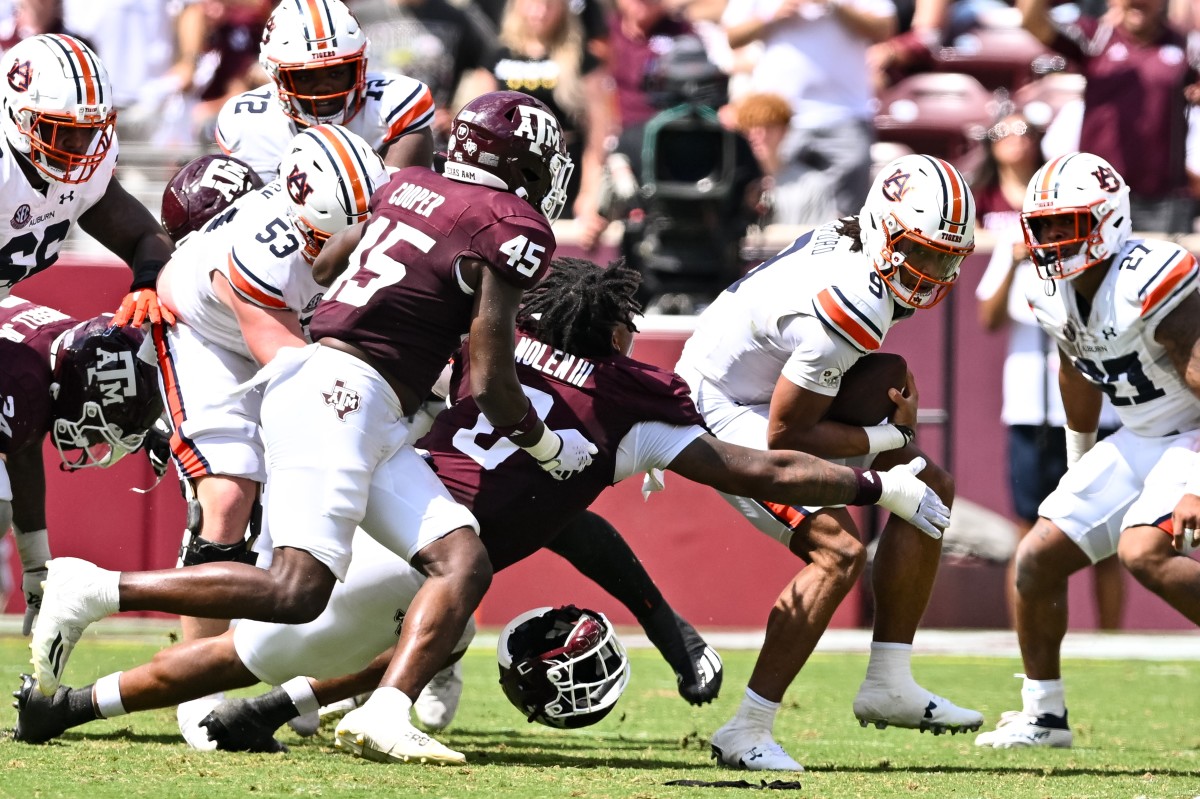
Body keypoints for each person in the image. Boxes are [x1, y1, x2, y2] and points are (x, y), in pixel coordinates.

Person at [13, 257, 950, 759]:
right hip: (421, 535)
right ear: (618, 328)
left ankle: (72, 707)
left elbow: (566, 512)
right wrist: (874, 474)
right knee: (299, 622)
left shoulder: (509, 352)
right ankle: (130, 608)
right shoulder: (631, 399)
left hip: (392, 479)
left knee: (331, 626)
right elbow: (761, 472)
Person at [29, 90, 595, 765]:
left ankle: (387, 711)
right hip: (343, 396)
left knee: (461, 560)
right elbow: (494, 379)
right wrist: (549, 444)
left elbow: (330, 266)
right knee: (295, 591)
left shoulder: (408, 184)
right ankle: (96, 587)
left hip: (355, 396)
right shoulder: (510, 222)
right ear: (521, 165)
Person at [674, 153, 983, 772]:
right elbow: (791, 433)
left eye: (945, 258)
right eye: (920, 253)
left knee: (933, 487)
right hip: (721, 407)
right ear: (881, 228)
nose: (931, 272)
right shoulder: (853, 299)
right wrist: (886, 441)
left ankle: (889, 681)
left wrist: (889, 442)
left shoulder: (857, 249)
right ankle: (747, 728)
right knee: (837, 551)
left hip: (764, 387)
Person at [152, 126, 388, 746]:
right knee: (230, 495)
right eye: (335, 233)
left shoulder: (366, 218)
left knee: (312, 500)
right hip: (208, 336)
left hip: (295, 341)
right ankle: (197, 686)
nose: (348, 247)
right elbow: (292, 365)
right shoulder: (264, 251)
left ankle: (291, 670)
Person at [974, 152, 1200, 748]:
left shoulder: (1149, 279)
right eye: (1042, 225)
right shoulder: (1054, 294)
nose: (1049, 239)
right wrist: (1079, 460)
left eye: (1064, 223)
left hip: (1193, 429)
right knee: (1037, 558)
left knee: (1142, 551)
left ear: (1107, 220)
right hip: (1141, 434)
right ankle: (1043, 716)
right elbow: (1076, 374)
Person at [972, 110, 1124, 630]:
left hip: (1094, 403)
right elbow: (986, 316)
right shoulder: (1022, 233)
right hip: (1030, 400)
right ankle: (1029, 635)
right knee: (1030, 525)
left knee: (1106, 531)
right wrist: (1015, 259)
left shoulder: (1096, 240)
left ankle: (1110, 639)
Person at [0, 296, 162, 638]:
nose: (89, 443)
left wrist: (35, 566)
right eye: (98, 428)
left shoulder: (69, 347)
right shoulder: (21, 383)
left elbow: (22, 446)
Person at [0, 33, 174, 327]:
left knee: (100, 356)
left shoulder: (88, 166)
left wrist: (148, 283)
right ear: (17, 116)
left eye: (89, 128)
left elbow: (145, 237)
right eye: (60, 128)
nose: (79, 143)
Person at [1019, 0, 1200, 234]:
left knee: (1160, 268)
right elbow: (1032, 22)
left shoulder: (1184, 44)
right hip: (1096, 193)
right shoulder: (1096, 38)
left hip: (1162, 198)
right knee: (1093, 267)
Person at [215, 0, 436, 184]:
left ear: (360, 66)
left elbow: (397, 210)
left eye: (336, 73)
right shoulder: (247, 122)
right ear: (276, 75)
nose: (323, 87)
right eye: (304, 76)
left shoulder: (395, 104)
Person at [721, 0, 897, 223]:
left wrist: (837, 6)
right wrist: (772, 16)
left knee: (851, 221)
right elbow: (733, 36)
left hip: (845, 114)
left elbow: (885, 28)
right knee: (780, 210)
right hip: (781, 118)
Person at [480, 0, 612, 243]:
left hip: (562, 173)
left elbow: (598, 133)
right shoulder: (498, 56)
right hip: (509, 173)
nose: (540, 12)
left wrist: (590, 194)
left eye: (549, 5)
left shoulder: (582, 58)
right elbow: (483, 123)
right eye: (532, 4)